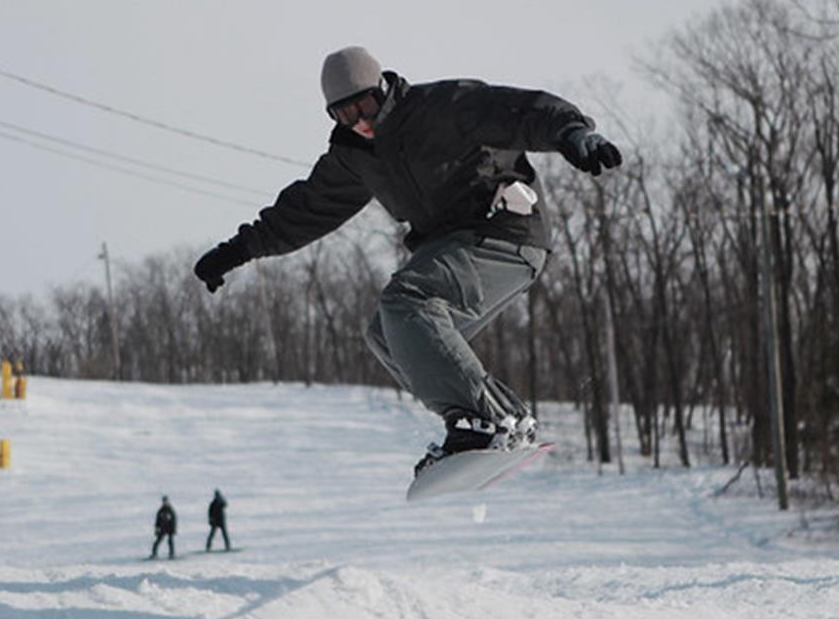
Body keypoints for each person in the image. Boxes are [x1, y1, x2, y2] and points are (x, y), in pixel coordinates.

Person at [194, 47, 621, 475]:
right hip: (451, 247)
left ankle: (483, 422)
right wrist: (236, 251)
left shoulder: (442, 107)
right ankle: (503, 419)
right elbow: (304, 210)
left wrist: (573, 134)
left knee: (408, 301)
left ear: (382, 89)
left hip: (506, 231)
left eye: (365, 105)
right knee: (386, 332)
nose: (360, 122)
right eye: (344, 115)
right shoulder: (353, 157)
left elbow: (521, 110)